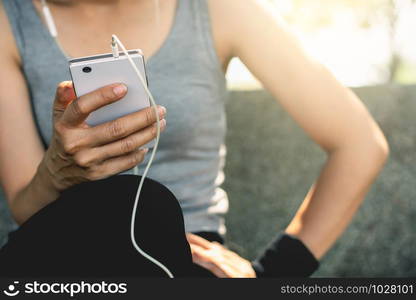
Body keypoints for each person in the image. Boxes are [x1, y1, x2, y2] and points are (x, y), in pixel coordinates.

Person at [0, 0, 389, 278]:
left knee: (151, 204)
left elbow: (359, 143)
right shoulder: (10, 20)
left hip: (185, 261)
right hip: (60, 259)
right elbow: (24, 205)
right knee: (126, 202)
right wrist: (56, 172)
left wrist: (273, 274)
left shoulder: (219, 10)